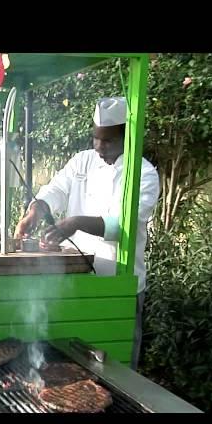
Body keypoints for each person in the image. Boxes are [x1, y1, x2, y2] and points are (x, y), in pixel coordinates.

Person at [14, 97, 160, 371]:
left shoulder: (144, 174)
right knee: (75, 357)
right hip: (78, 277)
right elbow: (55, 189)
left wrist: (75, 222)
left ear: (126, 137)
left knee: (117, 363)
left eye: (107, 141)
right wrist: (36, 210)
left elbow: (122, 226)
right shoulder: (82, 161)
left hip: (119, 282)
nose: (99, 147)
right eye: (95, 139)